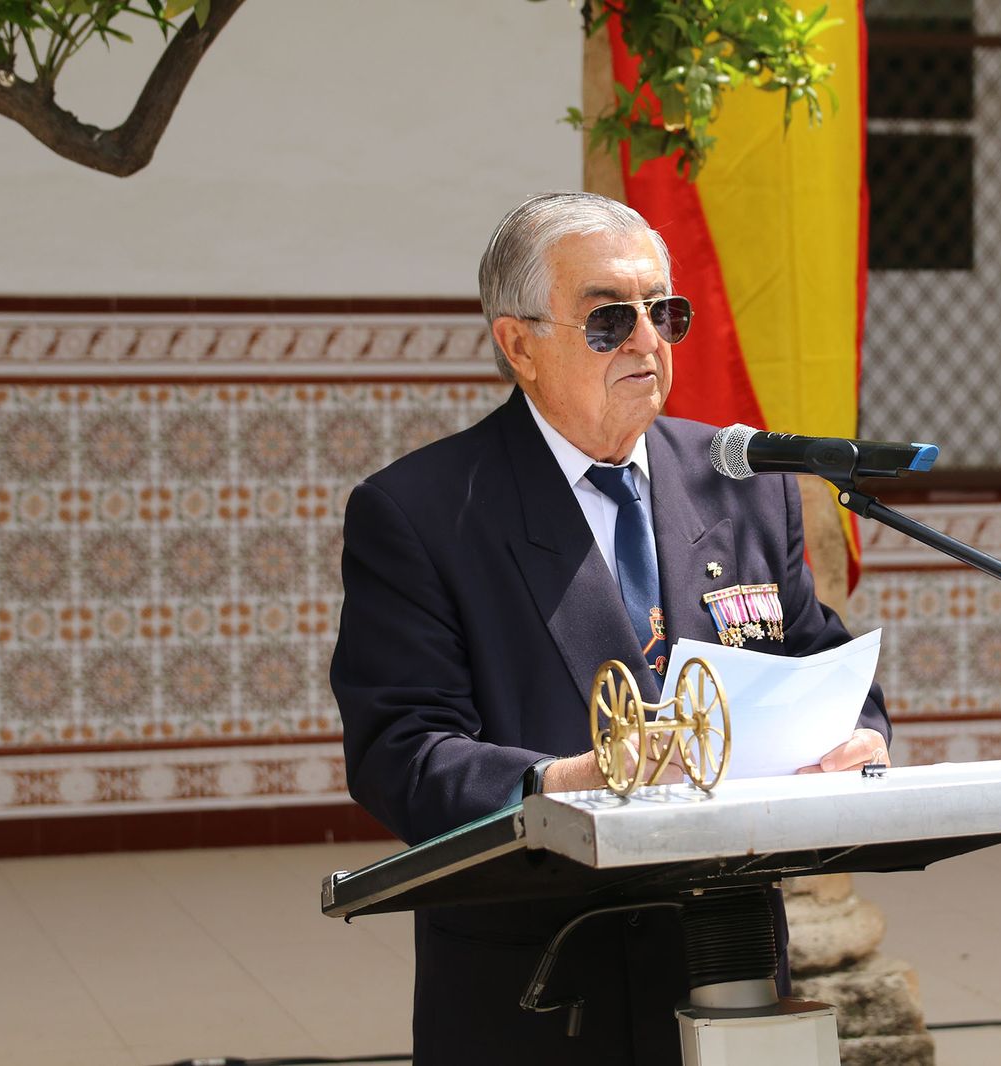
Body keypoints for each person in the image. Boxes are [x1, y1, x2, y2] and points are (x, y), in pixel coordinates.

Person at [331, 191, 890, 1064]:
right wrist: (576, 779)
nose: (647, 341)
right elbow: (400, 753)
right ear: (519, 344)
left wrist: (857, 738)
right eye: (607, 320)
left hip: (728, 953)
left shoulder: (742, 482)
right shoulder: (423, 513)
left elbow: (818, 659)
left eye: (664, 312)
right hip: (544, 983)